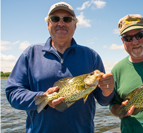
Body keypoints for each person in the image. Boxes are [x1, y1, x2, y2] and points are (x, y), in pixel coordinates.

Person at [5, 2, 114, 133]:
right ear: (48, 24)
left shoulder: (91, 55)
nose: (61, 23)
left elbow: (104, 100)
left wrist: (107, 91)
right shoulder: (30, 53)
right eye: (55, 18)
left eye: (67, 19)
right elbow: (13, 93)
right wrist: (43, 98)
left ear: (75, 25)